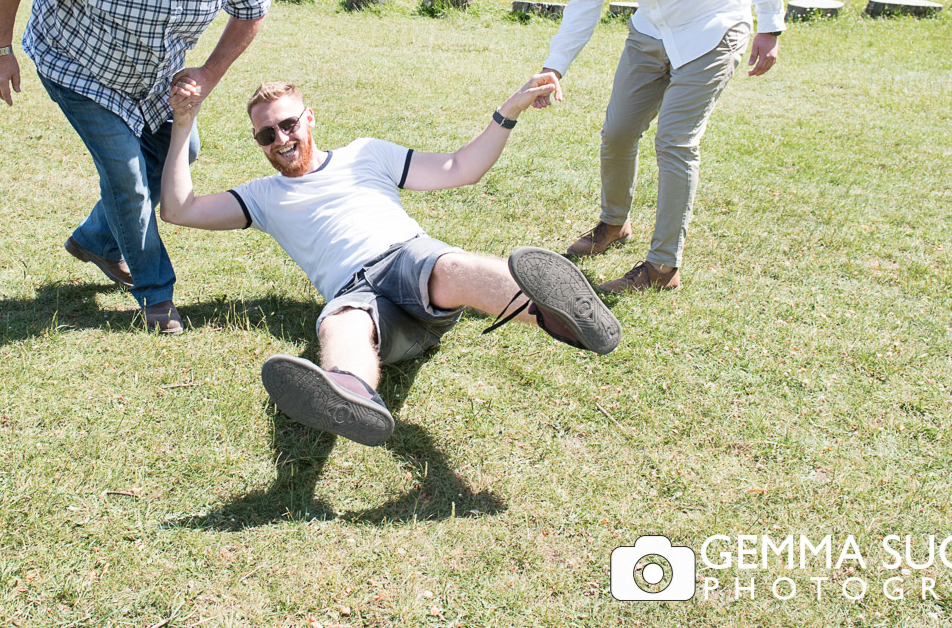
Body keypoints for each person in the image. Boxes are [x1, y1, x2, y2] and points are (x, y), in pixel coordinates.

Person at [158, 73, 622, 447]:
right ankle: (353, 395)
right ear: (258, 142)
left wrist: (510, 110)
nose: (280, 138)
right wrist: (183, 124)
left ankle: (561, 315)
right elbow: (179, 210)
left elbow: (462, 168)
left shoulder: (366, 154)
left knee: (452, 267)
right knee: (338, 323)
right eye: (266, 133)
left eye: (288, 124)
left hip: (406, 260)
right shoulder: (261, 196)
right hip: (357, 296)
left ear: (310, 119)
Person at [0, 0, 270, 333]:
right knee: (129, 179)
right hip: (81, 69)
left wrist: (209, 73)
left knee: (183, 154)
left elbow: (252, 7)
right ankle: (156, 294)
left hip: (155, 75)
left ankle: (96, 239)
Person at [539, 0, 785, 293]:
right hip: (651, 30)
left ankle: (663, 266)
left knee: (674, 139)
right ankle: (614, 224)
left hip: (713, 26)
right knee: (617, 131)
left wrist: (770, 25)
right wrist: (555, 65)